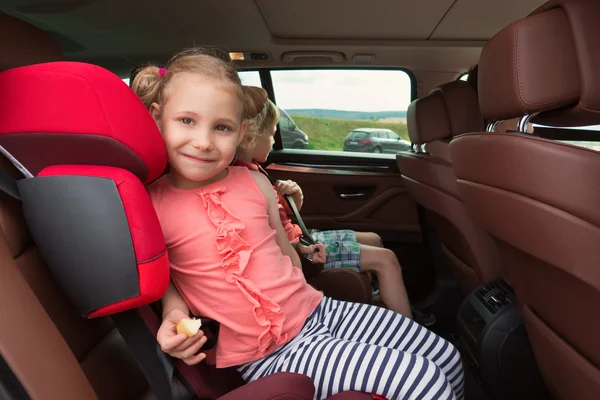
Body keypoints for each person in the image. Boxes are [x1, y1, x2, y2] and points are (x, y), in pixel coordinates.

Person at [132, 48, 464, 400]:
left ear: (241, 132)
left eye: (222, 127)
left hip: (321, 311)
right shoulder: (150, 203)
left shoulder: (255, 183)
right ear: (157, 118)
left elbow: (285, 255)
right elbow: (164, 274)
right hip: (271, 354)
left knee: (447, 356)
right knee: (424, 379)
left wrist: (308, 261)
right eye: (186, 121)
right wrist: (173, 313)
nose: (203, 141)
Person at [236, 87, 430, 322]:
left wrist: (294, 198)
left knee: (374, 238)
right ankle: (407, 327)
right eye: (272, 134)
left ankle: (385, 297)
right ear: (253, 136)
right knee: (386, 259)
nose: (273, 141)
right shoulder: (246, 181)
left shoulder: (256, 170)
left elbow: (283, 216)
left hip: (303, 236)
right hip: (300, 248)